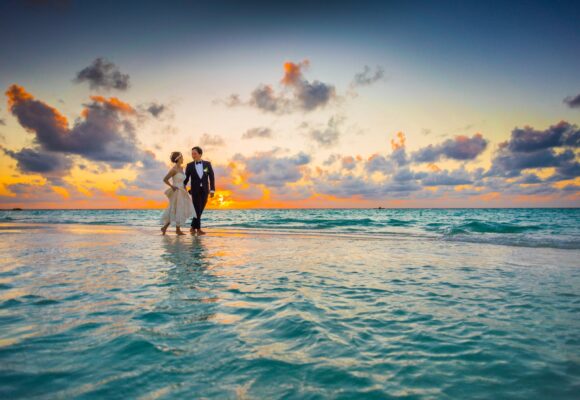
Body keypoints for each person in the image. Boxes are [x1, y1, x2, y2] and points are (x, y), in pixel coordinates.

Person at [161, 152, 196, 235]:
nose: (183, 159)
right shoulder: (174, 169)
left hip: (182, 191)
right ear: (178, 159)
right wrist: (172, 186)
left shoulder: (181, 168)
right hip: (176, 191)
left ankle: (166, 228)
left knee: (180, 209)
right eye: (182, 158)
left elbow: (183, 182)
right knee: (176, 209)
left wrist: (185, 190)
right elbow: (165, 179)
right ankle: (176, 230)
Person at [184, 146, 215, 235]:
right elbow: (186, 179)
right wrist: (182, 186)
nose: (193, 155)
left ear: (200, 154)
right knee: (197, 209)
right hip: (195, 190)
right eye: (192, 154)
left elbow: (211, 177)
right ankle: (198, 229)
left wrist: (212, 190)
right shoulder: (189, 166)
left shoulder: (207, 164)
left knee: (200, 209)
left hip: (205, 190)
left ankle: (193, 227)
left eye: (195, 153)